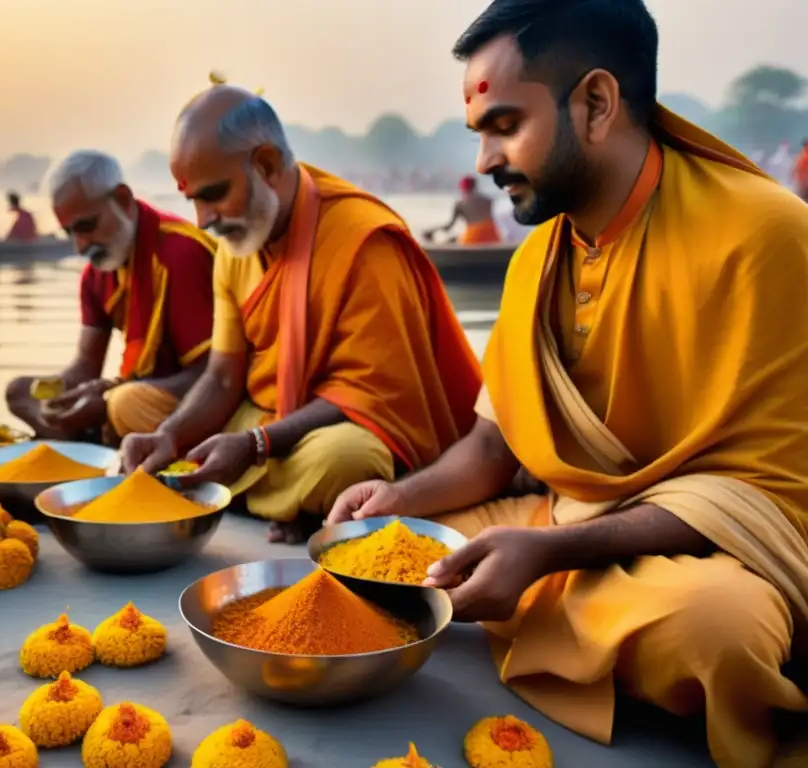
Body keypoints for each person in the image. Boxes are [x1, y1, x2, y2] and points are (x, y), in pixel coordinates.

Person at [327, 1, 808, 766]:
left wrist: (550, 558)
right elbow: (493, 443)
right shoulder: (535, 257)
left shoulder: (767, 235)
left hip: (709, 551)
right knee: (374, 554)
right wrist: (401, 499)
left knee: (719, 632)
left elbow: (767, 496)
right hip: (555, 519)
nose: (485, 161)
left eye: (504, 126)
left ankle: (531, 604)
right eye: (479, 134)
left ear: (595, 104)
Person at [120, 84, 483, 543]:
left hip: (333, 429)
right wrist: (170, 436)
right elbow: (223, 378)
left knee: (348, 463)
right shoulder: (237, 244)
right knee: (134, 406)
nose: (202, 219)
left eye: (213, 195)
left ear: (268, 165)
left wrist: (257, 445)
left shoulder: (364, 242)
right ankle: (275, 497)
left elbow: (370, 395)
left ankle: (241, 490)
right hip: (260, 418)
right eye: (193, 200)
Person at [5, 150, 216, 443]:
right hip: (133, 393)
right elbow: (85, 365)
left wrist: (106, 400)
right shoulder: (96, 274)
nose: (80, 247)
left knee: (126, 404)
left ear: (123, 200)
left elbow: (214, 375)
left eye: (86, 227)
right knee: (19, 393)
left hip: (194, 404)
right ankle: (92, 441)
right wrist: (62, 400)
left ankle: (102, 439)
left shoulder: (180, 254)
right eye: (70, 233)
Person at [422, 175, 501, 244]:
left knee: (452, 240)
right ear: (475, 187)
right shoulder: (489, 200)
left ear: (462, 189)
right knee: (458, 237)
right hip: (493, 236)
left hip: (473, 238)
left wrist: (431, 231)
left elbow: (449, 227)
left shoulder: (460, 204)